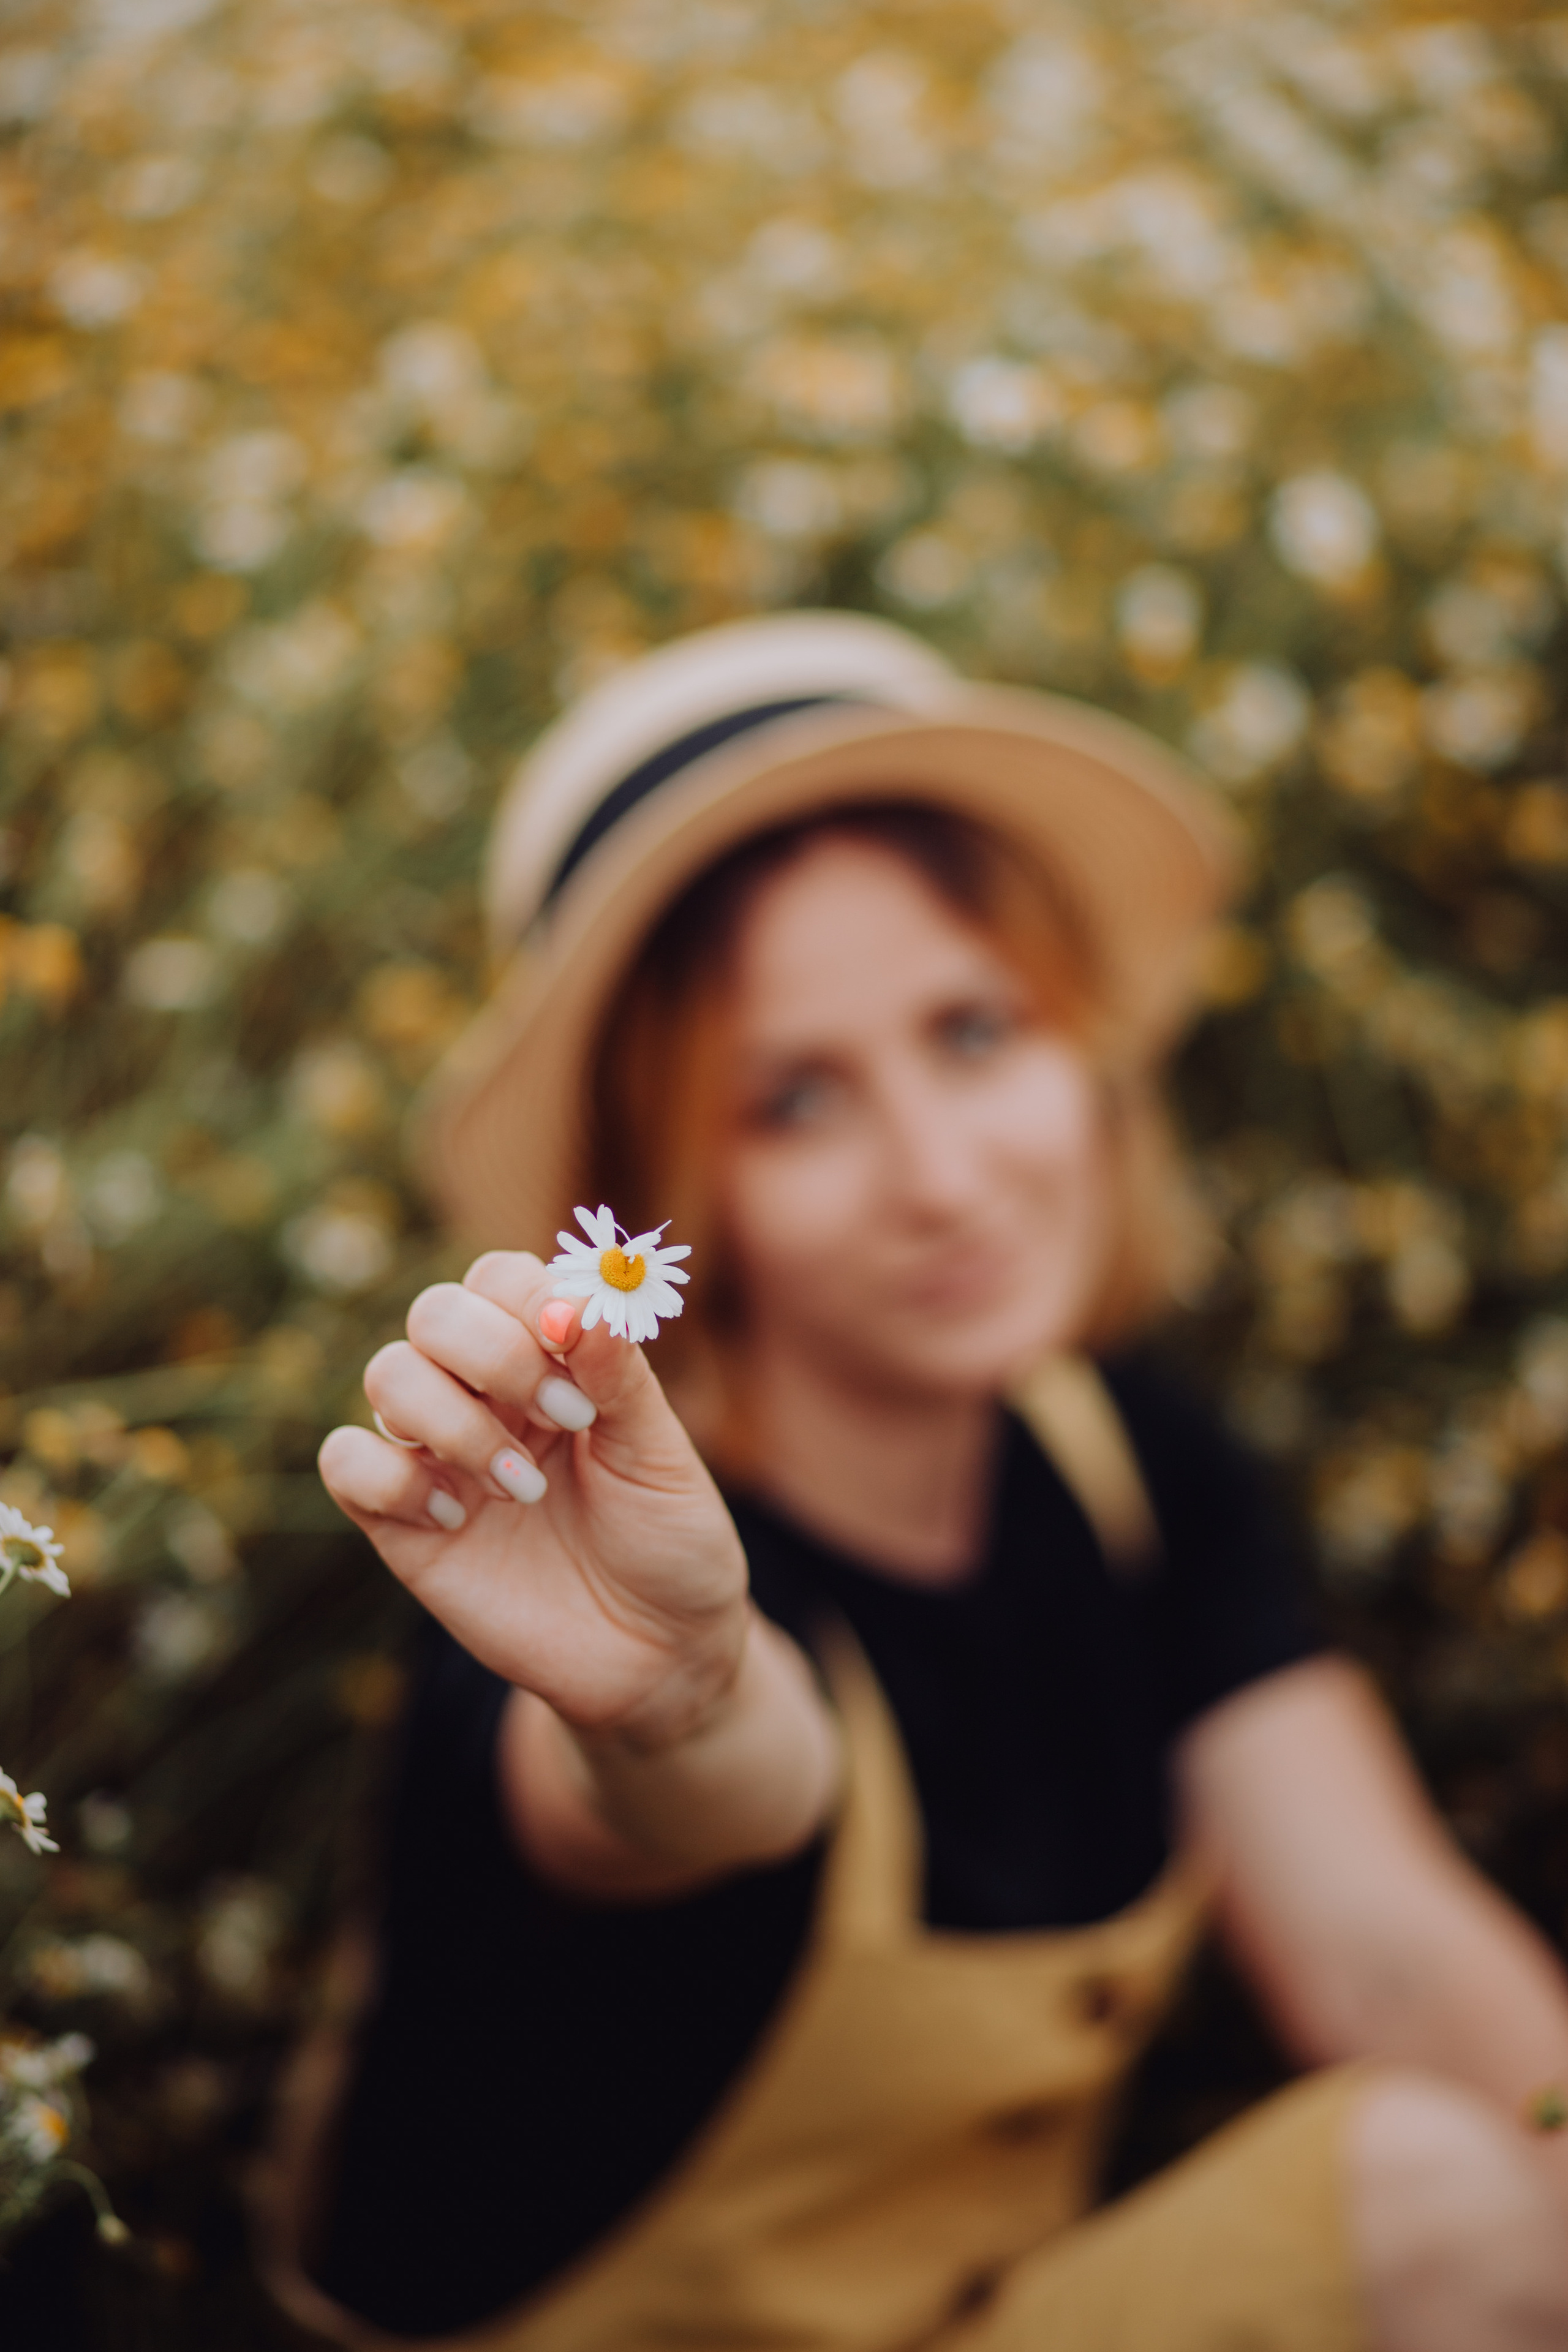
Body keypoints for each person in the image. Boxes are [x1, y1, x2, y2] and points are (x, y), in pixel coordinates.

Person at [266, 613, 1568, 2351]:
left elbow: (1386, 1949)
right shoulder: (592, 1576)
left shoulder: (1131, 1464)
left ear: (1082, 1051)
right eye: (797, 1100)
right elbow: (699, 1765)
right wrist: (682, 1694)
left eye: (974, 1031)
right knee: (1425, 2195)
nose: (944, 1179)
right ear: (660, 1189)